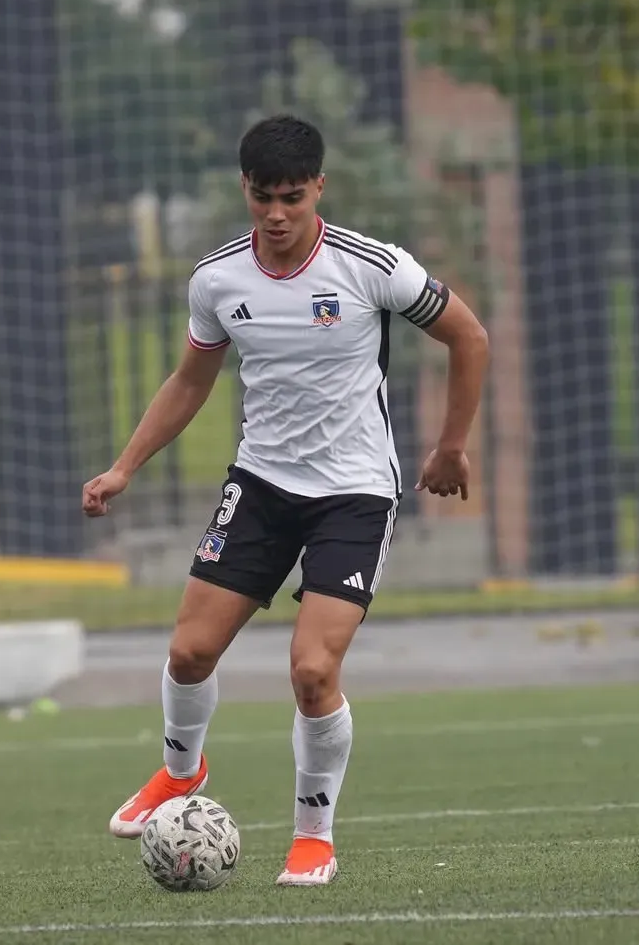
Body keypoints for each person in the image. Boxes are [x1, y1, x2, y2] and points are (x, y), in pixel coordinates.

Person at [81, 114, 489, 886]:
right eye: (262, 197)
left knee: (311, 670)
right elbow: (191, 379)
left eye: (291, 198)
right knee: (189, 651)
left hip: (355, 493)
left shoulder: (373, 266)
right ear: (245, 189)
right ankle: (180, 771)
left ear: (318, 190)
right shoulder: (217, 278)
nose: (275, 214)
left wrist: (451, 444)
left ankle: (313, 835)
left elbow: (470, 337)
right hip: (261, 484)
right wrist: (124, 466)